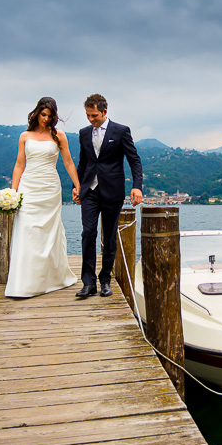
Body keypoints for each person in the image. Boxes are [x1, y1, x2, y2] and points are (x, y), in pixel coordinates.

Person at [5, 97, 81, 298]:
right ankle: (24, 282)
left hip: (49, 187)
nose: (46, 119)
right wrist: (13, 192)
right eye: (43, 115)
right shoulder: (24, 136)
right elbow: (19, 165)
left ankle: (50, 278)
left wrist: (78, 185)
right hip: (28, 187)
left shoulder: (59, 136)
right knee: (27, 229)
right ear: (37, 113)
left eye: (49, 116)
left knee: (48, 231)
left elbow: (69, 163)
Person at [73, 94, 143, 298]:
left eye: (94, 115)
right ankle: (88, 283)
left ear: (105, 111)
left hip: (112, 191)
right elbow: (83, 163)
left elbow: (134, 161)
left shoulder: (121, 131)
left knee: (110, 236)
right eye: (87, 115)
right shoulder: (84, 133)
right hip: (90, 192)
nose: (90, 119)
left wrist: (137, 186)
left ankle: (105, 280)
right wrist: (76, 187)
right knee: (88, 233)